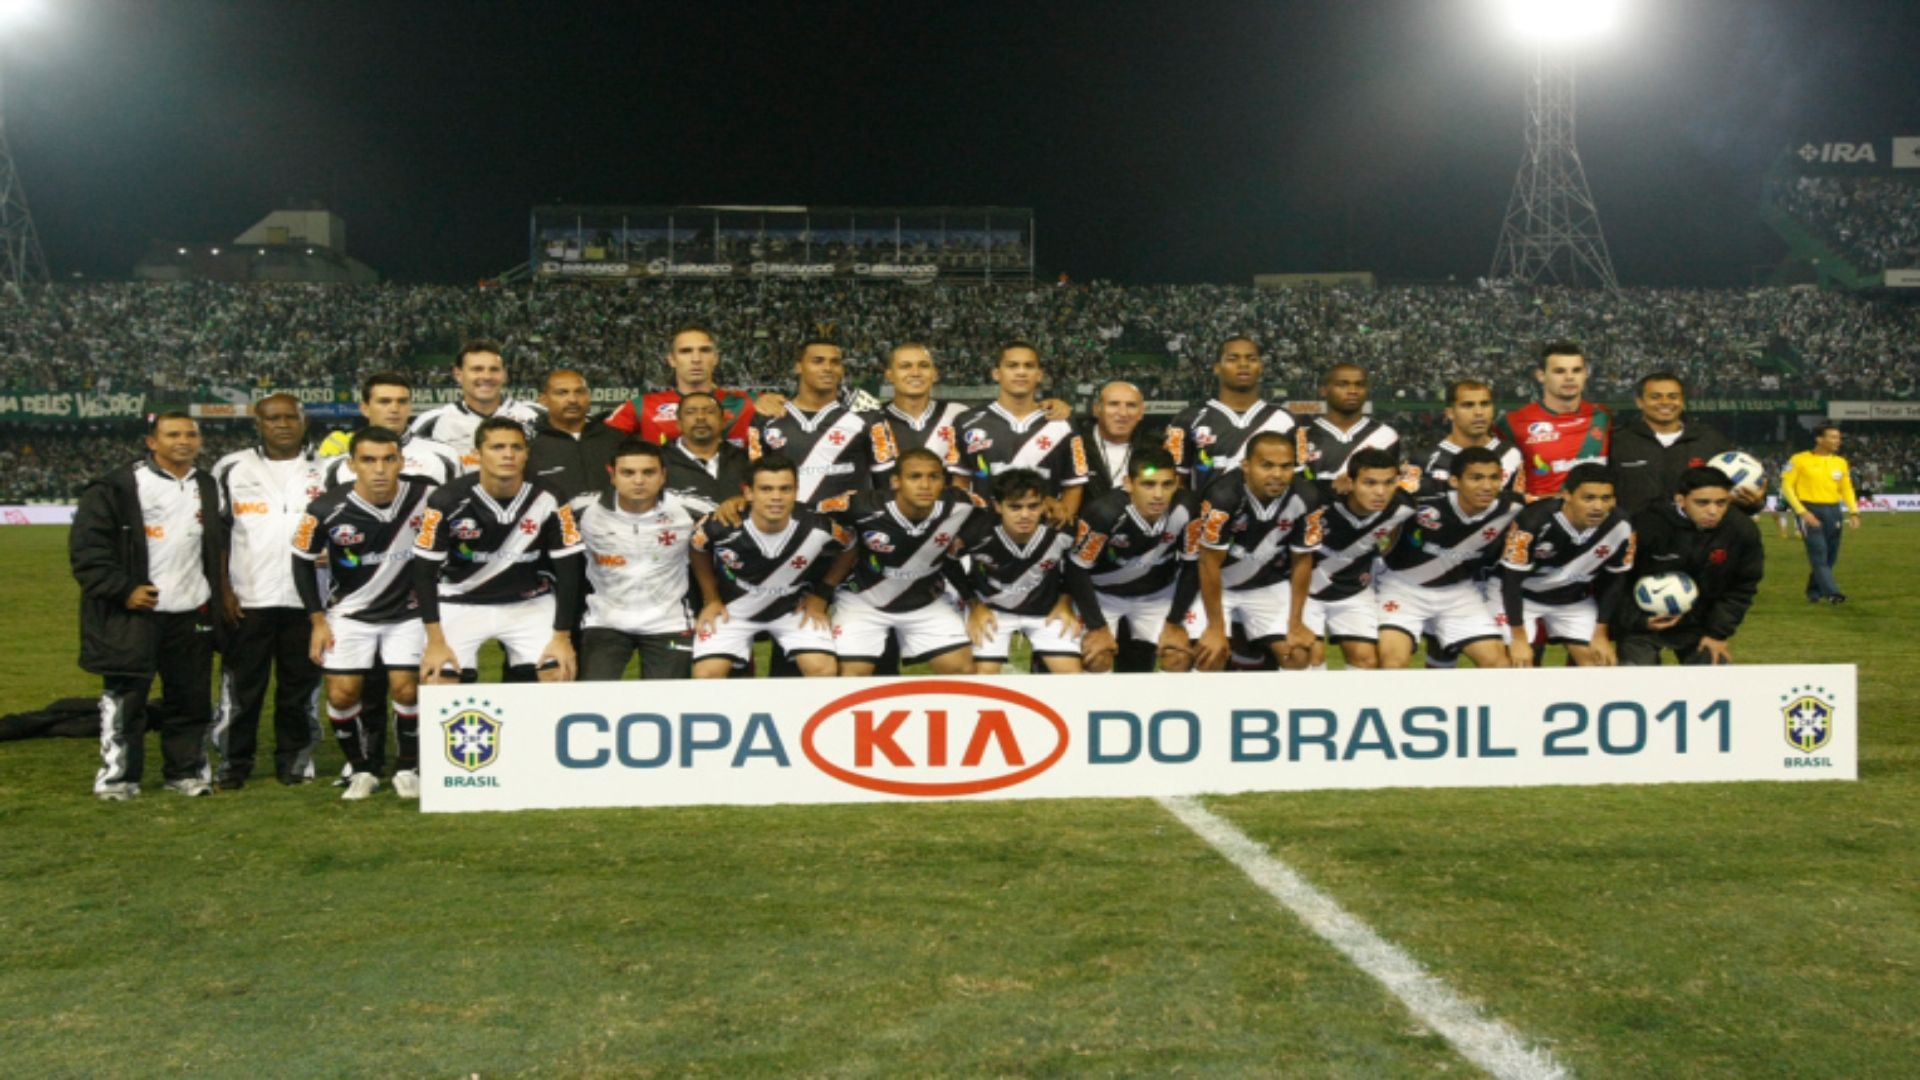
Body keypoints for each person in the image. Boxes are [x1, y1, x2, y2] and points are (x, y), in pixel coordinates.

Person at [69, 412, 234, 800]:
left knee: (191, 699)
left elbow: (220, 548)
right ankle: (118, 778)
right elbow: (87, 550)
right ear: (151, 442)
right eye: (173, 434)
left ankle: (187, 773)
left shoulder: (208, 486)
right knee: (126, 699)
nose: (184, 441)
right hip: (135, 614)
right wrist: (124, 589)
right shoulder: (119, 486)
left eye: (191, 434)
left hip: (192, 611)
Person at [292, 427, 435, 800]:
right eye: (369, 460)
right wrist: (317, 620)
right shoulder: (325, 508)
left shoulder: (427, 496)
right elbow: (302, 561)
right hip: (350, 614)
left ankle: (408, 768)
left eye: (389, 459)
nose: (380, 469)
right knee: (342, 695)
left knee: (407, 689)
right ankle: (361, 769)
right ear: (352, 463)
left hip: (407, 614)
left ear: (401, 461)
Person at [208, 394, 328, 788]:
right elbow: (218, 535)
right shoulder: (231, 468)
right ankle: (233, 764)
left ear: (303, 421)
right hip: (248, 599)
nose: (282, 424)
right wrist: (224, 589)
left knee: (300, 690)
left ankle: (295, 762)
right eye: (272, 418)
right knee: (242, 689)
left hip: (308, 601)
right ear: (257, 424)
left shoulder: (329, 469)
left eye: (289, 417)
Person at [413, 417, 584, 684]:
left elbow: (569, 569)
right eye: (497, 447)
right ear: (477, 454)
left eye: (516, 447)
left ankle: (528, 727)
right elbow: (423, 572)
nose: (508, 454)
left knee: (558, 672)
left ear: (527, 453)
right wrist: (435, 640)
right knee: (439, 678)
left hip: (527, 600)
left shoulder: (549, 496)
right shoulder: (446, 500)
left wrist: (562, 637)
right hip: (460, 599)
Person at [817, 449, 980, 676]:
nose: (925, 485)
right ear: (895, 481)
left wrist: (975, 602)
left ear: (944, 481)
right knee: (850, 676)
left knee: (963, 670)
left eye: (933, 477)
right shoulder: (860, 505)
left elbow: (1007, 511)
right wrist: (820, 594)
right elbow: (809, 516)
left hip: (926, 602)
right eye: (915, 477)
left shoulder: (962, 505)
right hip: (863, 601)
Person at [689, 455, 846, 678]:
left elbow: (850, 547)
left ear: (796, 491)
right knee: (706, 674)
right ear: (748, 492)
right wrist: (711, 598)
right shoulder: (722, 525)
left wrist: (822, 593)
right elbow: (697, 548)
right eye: (766, 489)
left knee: (823, 669)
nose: (776, 497)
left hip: (793, 609)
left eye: (785, 489)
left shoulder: (819, 526)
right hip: (733, 610)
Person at [1376, 446, 1523, 670]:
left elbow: (1555, 506)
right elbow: (1371, 494)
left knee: (1499, 665)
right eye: (1476, 478)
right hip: (1402, 588)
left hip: (1459, 594)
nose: (1487, 486)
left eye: (1494, 478)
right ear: (1454, 481)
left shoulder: (1512, 506)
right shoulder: (1422, 495)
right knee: (1393, 664)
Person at [571, 441, 700, 681]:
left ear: (663, 476)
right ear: (612, 475)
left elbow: (735, 517)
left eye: (648, 472)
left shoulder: (687, 509)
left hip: (669, 623)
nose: (639, 481)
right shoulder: (583, 510)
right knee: (593, 699)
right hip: (604, 621)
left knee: (668, 703)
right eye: (628, 473)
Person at [1191, 432, 1319, 672]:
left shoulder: (1306, 497)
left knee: (1298, 655)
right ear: (1246, 466)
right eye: (1267, 466)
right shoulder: (1223, 496)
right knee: (1210, 654)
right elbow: (1208, 564)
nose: (1277, 475)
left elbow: (1302, 561)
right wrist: (1216, 628)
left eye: (1286, 466)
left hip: (1265, 584)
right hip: (1217, 585)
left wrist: (1296, 623)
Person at [1070, 447, 1204, 673]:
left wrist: (1174, 622)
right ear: (1129, 483)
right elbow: (1077, 570)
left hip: (1158, 595)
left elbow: (1192, 566)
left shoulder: (1188, 509)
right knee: (1096, 659)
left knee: (1179, 658)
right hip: (1104, 596)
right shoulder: (1103, 513)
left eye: (1167, 484)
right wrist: (1097, 626)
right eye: (1148, 484)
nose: (1159, 494)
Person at [1615, 467, 1765, 665]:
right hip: (1643, 624)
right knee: (1637, 677)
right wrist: (1638, 620)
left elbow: (1743, 586)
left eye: (1721, 503)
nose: (1713, 511)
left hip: (1701, 625)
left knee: (1716, 674)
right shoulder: (1645, 525)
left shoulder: (1741, 530)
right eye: (1702, 503)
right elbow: (1616, 580)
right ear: (1680, 500)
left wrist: (1717, 634)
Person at [953, 469, 1095, 674]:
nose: (1025, 515)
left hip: (1046, 611)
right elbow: (947, 562)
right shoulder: (976, 531)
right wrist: (974, 604)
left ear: (1044, 505)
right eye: (1015, 507)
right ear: (997, 506)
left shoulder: (1064, 529)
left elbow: (1076, 568)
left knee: (1071, 676)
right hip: (992, 610)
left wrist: (1065, 601)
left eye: (1033, 506)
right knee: (982, 677)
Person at [1499, 463, 1635, 667]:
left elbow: (1615, 581)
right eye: (1588, 498)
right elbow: (1510, 582)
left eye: (1605, 499)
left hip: (1573, 599)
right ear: (1567, 495)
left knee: (1600, 664)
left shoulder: (1622, 527)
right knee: (1518, 663)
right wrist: (1518, 637)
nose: (1598, 507)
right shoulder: (1532, 522)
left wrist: (1600, 633)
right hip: (1521, 595)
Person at [951, 341, 1091, 526]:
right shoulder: (967, 421)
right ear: (996, 373)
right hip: (984, 533)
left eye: (1029, 366)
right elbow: (960, 482)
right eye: (1012, 365)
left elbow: (1073, 485)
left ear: (1039, 375)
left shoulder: (1062, 423)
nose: (1021, 372)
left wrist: (1055, 532)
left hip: (1040, 534)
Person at [748, 338, 897, 507]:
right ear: (798, 367)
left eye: (835, 362)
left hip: (849, 529)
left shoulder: (869, 419)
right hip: (788, 528)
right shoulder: (766, 419)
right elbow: (755, 483)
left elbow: (887, 485)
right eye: (817, 361)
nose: (827, 368)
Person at [1305, 448, 1415, 670]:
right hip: (1305, 591)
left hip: (1353, 589)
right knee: (1309, 657)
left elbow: (1394, 530)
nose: (1380, 492)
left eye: (1389, 482)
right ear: (1350, 481)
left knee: (1366, 660)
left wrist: (1381, 552)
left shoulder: (1403, 507)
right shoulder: (1318, 499)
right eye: (1370, 483)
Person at [1608, 371, 1754, 518]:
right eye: (1655, 397)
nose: (1665, 402)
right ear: (1639, 402)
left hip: (1697, 537)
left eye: (1673, 397)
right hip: (1634, 537)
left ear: (1682, 401)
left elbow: (1733, 494)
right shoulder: (1617, 442)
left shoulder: (1709, 440)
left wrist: (1755, 503)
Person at [603, 323, 770, 446]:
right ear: (672, 360)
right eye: (686, 351)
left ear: (716, 358)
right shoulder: (642, 406)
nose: (696, 359)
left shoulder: (752, 404)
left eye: (704, 350)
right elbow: (599, 446)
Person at [1165, 336, 1296, 490]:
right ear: (1217, 367)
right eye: (1233, 359)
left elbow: (1298, 482)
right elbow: (1175, 482)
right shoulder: (1187, 419)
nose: (1243, 364)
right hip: (1207, 513)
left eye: (1251, 359)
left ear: (1261, 367)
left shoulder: (1286, 420)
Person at [408, 340, 547, 470]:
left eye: (494, 369)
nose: (487, 377)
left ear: (504, 374)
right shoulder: (431, 423)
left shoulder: (538, 416)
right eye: (477, 369)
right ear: (458, 374)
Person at [1500, 341, 1611, 498]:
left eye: (1577, 370)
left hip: (1596, 514)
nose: (1569, 377)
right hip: (1541, 516)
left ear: (1585, 374)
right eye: (1559, 371)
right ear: (1541, 375)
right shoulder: (1513, 422)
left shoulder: (1603, 416)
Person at [321, 372, 462, 488]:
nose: (394, 409)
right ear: (365, 408)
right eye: (384, 402)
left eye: (402, 401)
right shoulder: (337, 459)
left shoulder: (444, 454)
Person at [1297, 363, 1402, 504]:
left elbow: (1390, 486)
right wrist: (1332, 486)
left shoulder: (1386, 436)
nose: (1353, 390)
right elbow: (1295, 486)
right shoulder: (1302, 436)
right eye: (1342, 384)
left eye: (1359, 385)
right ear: (1324, 390)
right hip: (1313, 521)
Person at [1780, 423, 1859, 604]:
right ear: (1819, 439)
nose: (1837, 441)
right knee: (1819, 553)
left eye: (1838, 438)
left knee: (1830, 557)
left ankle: (1813, 592)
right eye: (1832, 437)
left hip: (1833, 511)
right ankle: (1833, 593)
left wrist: (1854, 512)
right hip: (1810, 510)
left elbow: (1846, 489)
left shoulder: (1840, 462)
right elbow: (1787, 486)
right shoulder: (1799, 460)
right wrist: (1802, 512)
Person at [528, 368, 622, 501]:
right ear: (543, 400)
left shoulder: (616, 438)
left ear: (589, 396)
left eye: (580, 392)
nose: (572, 399)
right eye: (562, 393)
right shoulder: (530, 446)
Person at [1419, 379, 1522, 496]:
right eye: (1468, 405)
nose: (1479, 412)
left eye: (1485, 404)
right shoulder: (1424, 459)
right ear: (1450, 413)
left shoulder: (1512, 454)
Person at [662, 391, 751, 514]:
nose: (700, 417)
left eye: (709, 411)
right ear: (678, 424)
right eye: (690, 412)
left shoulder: (747, 460)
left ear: (723, 422)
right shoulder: (658, 461)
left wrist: (747, 501)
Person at [1077, 379, 1151, 502]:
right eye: (1114, 404)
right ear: (1097, 409)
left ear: (1141, 412)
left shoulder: (1154, 448)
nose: (1123, 413)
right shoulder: (1075, 445)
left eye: (1131, 405)